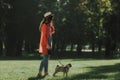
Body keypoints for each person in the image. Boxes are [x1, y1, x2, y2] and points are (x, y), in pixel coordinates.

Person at [38, 12, 55, 77]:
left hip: (48, 43)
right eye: (51, 18)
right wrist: (47, 44)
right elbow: (43, 36)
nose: (52, 20)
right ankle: (46, 72)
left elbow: (53, 31)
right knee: (46, 58)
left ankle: (40, 72)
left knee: (45, 58)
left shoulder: (48, 25)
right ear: (48, 19)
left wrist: (51, 25)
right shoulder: (44, 26)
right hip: (45, 44)